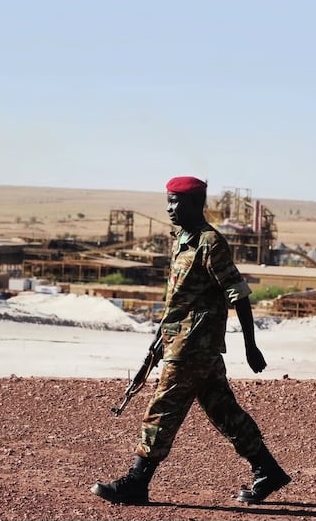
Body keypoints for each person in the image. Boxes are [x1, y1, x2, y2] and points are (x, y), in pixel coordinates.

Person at [92, 175, 290, 505]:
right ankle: (267, 470)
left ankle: (137, 482)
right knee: (223, 410)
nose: (169, 208)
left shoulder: (210, 243)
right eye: (168, 201)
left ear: (196, 204)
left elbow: (238, 294)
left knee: (163, 407)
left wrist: (250, 345)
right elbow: (181, 300)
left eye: (176, 202)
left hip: (194, 346)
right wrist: (162, 337)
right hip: (183, 341)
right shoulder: (182, 240)